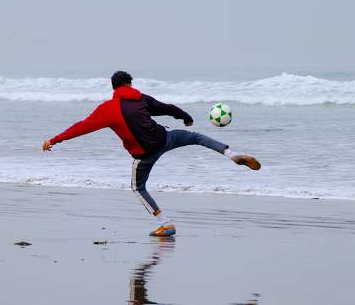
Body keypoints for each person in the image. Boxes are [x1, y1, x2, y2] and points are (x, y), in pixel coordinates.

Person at [42, 71, 261, 237]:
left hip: (144, 155)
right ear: (130, 84)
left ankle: (166, 224)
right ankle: (231, 154)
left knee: (138, 188)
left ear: (113, 88)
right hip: (165, 139)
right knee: (196, 137)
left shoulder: (108, 109)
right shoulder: (141, 98)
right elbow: (166, 108)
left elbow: (81, 127)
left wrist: (54, 140)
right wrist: (185, 117)